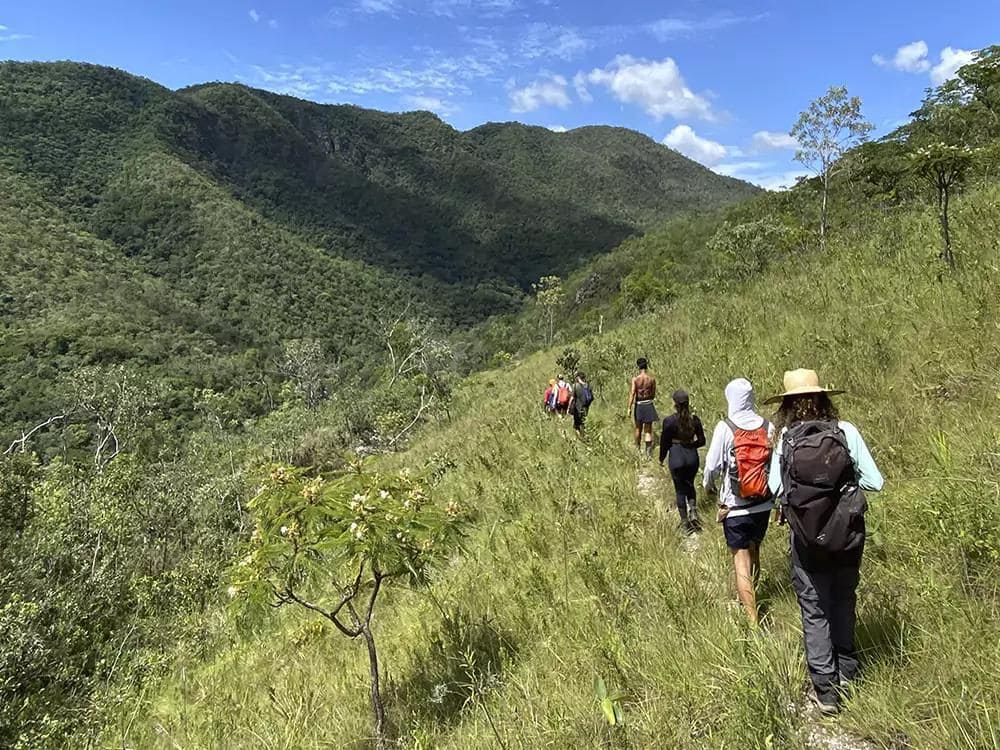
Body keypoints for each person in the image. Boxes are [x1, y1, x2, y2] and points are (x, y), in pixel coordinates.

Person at [766, 369, 883, 716]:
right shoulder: (845, 432)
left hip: (806, 541)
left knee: (814, 608)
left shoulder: (786, 439)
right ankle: (848, 669)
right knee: (845, 598)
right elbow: (875, 481)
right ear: (823, 398)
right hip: (848, 535)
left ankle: (826, 690)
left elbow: (775, 489)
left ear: (787, 405)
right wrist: (843, 485)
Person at [703, 378, 774, 627]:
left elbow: (711, 466)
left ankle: (752, 619)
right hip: (763, 504)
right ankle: (754, 596)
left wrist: (708, 487)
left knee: (740, 560)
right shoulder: (768, 426)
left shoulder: (726, 427)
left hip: (735, 506)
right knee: (755, 551)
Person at [659, 389, 706, 533]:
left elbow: (664, 442)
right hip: (692, 457)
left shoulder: (669, 421)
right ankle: (693, 511)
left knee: (679, 490)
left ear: (674, 404)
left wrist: (661, 458)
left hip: (676, 456)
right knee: (690, 485)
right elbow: (702, 441)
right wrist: (691, 445)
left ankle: (685, 523)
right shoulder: (694, 419)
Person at [628, 358, 658, 457]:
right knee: (648, 430)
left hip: (639, 405)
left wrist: (629, 407)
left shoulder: (635, 379)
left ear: (638, 366)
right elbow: (653, 393)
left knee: (638, 428)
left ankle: (638, 449)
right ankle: (648, 452)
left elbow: (632, 393)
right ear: (646, 366)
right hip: (648, 403)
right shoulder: (651, 379)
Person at [567, 372, 594, 437]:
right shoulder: (589, 386)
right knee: (584, 423)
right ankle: (585, 435)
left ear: (578, 378)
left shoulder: (575, 386)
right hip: (586, 408)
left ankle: (581, 438)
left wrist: (568, 407)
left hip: (577, 408)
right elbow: (592, 398)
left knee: (577, 425)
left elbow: (572, 397)